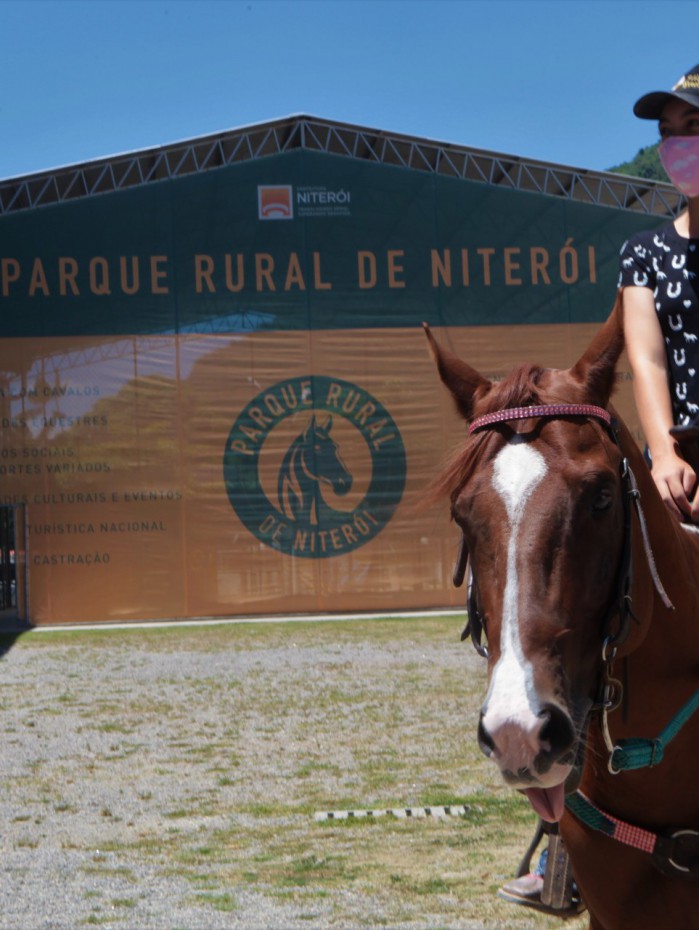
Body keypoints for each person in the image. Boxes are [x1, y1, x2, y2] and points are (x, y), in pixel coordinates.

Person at [499, 63, 699, 916]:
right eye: (669, 132)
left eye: (692, 128)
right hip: (675, 460)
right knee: (587, 613)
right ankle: (567, 843)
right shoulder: (645, 253)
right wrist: (663, 451)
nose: (678, 145)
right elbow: (644, 357)